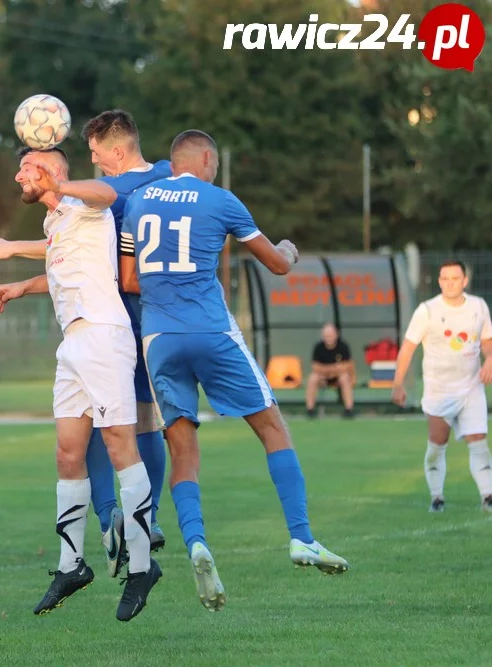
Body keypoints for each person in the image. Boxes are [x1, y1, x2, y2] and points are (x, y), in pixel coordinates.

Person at [120, 130, 349, 613]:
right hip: (211, 331)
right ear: (206, 159)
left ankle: (198, 544)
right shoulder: (221, 200)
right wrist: (288, 248)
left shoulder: (138, 202)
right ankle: (302, 537)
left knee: (182, 447)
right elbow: (277, 266)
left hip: (158, 336)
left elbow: (128, 280)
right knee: (272, 428)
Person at [0, 110, 170, 579]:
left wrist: (60, 187)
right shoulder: (56, 223)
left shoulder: (86, 201)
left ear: (54, 172)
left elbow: (103, 193)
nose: (19, 175)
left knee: (126, 437)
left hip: (108, 330)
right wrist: (21, 284)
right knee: (68, 452)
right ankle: (72, 563)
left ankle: (142, 557)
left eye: (27, 167)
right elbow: (64, 262)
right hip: (74, 342)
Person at [391, 260, 492, 513]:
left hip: (471, 387)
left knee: (478, 440)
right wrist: (398, 383)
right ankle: (437, 497)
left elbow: (487, 341)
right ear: (439, 281)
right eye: (444, 279)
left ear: (464, 281)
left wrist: (490, 358)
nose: (449, 283)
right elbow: (408, 348)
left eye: (454, 278)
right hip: (439, 390)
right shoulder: (427, 310)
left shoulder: (478, 307)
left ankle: (488, 496)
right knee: (438, 443)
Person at [305, 323, 355, 419]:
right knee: (312, 378)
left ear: (336, 334)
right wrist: (334, 369)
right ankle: (310, 410)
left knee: (345, 378)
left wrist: (328, 370)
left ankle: (349, 409)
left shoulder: (343, 346)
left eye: (331, 335)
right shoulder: (318, 347)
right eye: (326, 336)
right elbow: (315, 367)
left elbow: (347, 366)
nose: (329, 338)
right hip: (323, 378)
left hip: (338, 378)